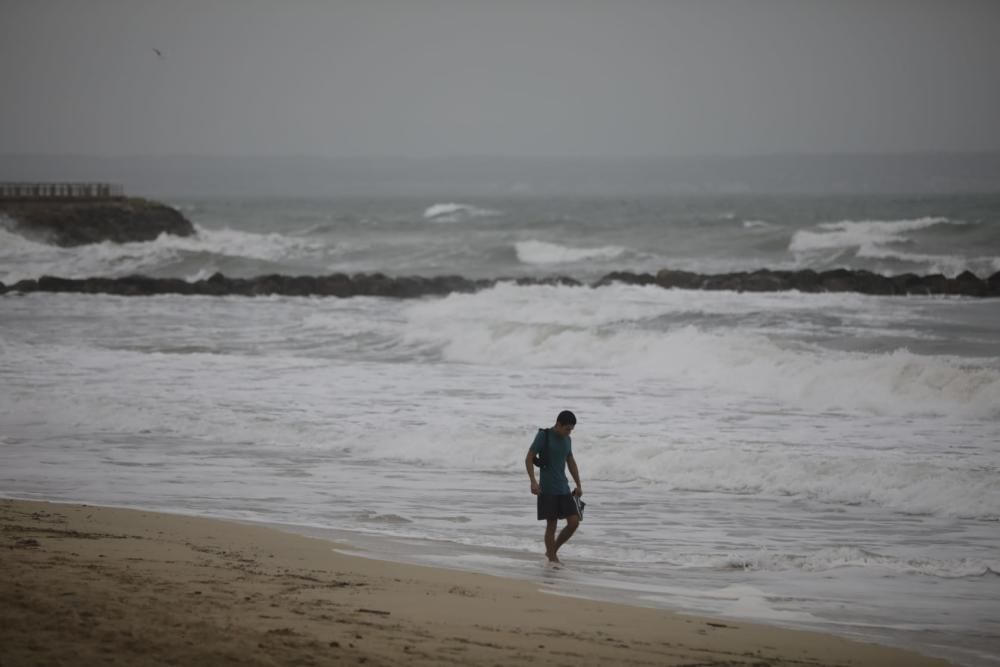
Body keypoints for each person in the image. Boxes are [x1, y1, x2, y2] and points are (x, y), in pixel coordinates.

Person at [524, 410, 582, 564]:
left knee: (574, 522)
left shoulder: (567, 439)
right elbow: (529, 458)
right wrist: (533, 481)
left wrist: (578, 484)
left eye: (571, 429)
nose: (569, 432)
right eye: (567, 429)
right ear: (558, 424)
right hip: (547, 488)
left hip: (563, 487)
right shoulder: (544, 436)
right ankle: (552, 558)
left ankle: (551, 552)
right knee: (552, 525)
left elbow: (571, 461)